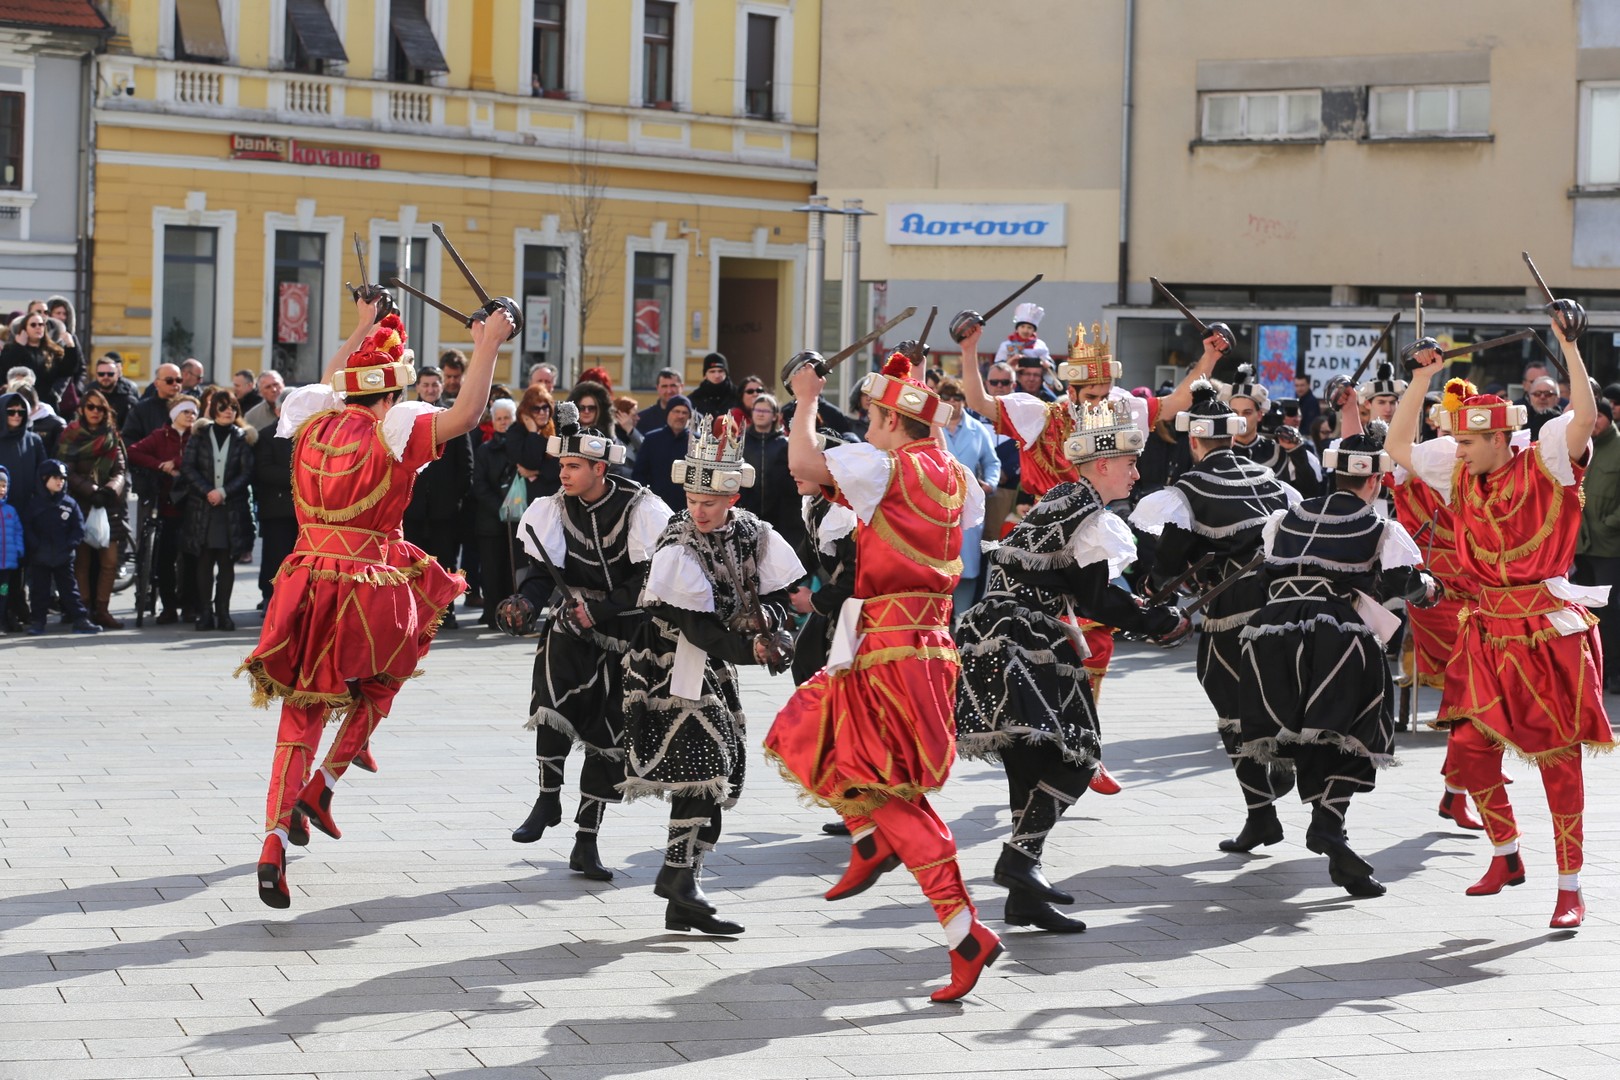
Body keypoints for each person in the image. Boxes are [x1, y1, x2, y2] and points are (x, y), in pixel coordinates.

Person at [240, 298, 511, 910]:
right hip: (367, 582)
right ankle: (328, 780)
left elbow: (333, 381)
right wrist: (489, 341)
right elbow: (467, 414)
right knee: (391, 669)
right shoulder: (392, 432)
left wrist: (362, 323)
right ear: (391, 394)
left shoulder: (313, 423)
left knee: (300, 714)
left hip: (306, 574)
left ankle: (274, 840)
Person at [767, 350, 999, 1003]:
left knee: (875, 784)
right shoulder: (956, 475)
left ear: (894, 424)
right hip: (926, 647)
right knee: (808, 732)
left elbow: (803, 465)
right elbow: (968, 517)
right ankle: (877, 848)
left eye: (872, 419)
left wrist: (806, 395)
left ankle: (963, 932)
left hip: (888, 652)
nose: (866, 430)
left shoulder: (886, 466)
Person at [1387, 305, 1612, 928]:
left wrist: (1570, 345)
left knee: (1559, 763)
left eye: (1466, 441)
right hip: (1484, 631)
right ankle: (1507, 856)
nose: (1456, 450)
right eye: (1455, 441)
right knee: (1466, 752)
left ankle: (1570, 889)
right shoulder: (1459, 471)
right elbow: (1398, 445)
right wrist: (1420, 377)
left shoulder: (1546, 461)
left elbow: (1585, 416)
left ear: (1497, 439)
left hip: (1547, 632)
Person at [956, 398, 1188, 933]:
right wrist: (1158, 622)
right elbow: (1095, 600)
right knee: (1080, 755)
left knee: (1029, 759)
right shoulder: (1090, 514)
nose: (1137, 472)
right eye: (1130, 464)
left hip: (993, 634)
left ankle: (1024, 896)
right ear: (1102, 465)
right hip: (1027, 639)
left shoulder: (1062, 498)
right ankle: (1018, 861)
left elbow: (1080, 589)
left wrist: (1147, 611)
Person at [622, 413, 803, 935]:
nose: (698, 511)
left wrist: (772, 627)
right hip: (668, 664)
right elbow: (697, 629)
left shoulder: (754, 534)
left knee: (717, 772)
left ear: (732, 500)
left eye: (709, 503)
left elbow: (775, 597)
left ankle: (683, 893)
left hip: (715, 665)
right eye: (693, 501)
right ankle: (679, 877)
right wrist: (756, 647)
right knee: (703, 763)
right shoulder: (677, 544)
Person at [1237, 428, 1436, 898]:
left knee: (1310, 733)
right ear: (1376, 482)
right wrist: (1430, 587)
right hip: (1335, 636)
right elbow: (1405, 584)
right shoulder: (1381, 526)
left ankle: (1331, 833)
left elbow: (1266, 577)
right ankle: (1327, 826)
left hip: (1271, 635)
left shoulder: (1286, 518)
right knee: (1354, 731)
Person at [502, 402, 672, 879]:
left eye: (574, 466)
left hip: (624, 631)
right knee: (551, 703)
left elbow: (651, 577)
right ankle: (547, 798)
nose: (565, 474)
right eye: (562, 465)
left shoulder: (641, 507)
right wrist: (525, 603)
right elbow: (542, 573)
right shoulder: (551, 509)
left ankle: (586, 839)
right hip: (570, 625)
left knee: (609, 737)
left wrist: (601, 608)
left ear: (601, 468)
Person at [1130, 379, 1300, 853]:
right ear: (1232, 436)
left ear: (1195, 440)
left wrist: (1153, 587)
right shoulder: (1272, 480)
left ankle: (1262, 812)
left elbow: (1170, 555)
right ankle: (1280, 764)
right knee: (1277, 692)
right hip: (1286, 606)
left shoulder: (1191, 486)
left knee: (1229, 703)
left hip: (1235, 613)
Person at [403, 366, 473, 629]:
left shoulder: (454, 417)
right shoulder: (408, 418)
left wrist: (454, 499)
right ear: (417, 387)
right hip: (414, 509)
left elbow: (466, 467)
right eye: (425, 384)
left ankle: (446, 612)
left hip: (445, 511)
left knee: (445, 562)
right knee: (414, 565)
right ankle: (416, 614)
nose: (430, 389)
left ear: (442, 386)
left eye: (435, 384)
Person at [179, 390, 256, 631]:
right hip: (203, 508)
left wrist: (223, 492)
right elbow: (188, 468)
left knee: (226, 563)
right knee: (204, 562)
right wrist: (208, 491)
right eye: (223, 407)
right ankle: (205, 613)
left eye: (232, 407)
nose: (228, 412)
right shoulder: (200, 435)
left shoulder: (242, 437)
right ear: (213, 410)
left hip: (231, 508)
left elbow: (246, 473)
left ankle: (223, 612)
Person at [58, 389, 130, 630]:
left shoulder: (112, 436)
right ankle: (84, 610)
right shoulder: (70, 435)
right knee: (82, 562)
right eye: (91, 407)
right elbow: (66, 470)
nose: (96, 412)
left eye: (100, 408)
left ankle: (103, 609)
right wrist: (91, 490)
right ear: (82, 409)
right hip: (80, 504)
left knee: (109, 562)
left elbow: (120, 471)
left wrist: (109, 490)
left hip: (108, 507)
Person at [127, 397, 200, 624]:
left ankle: (189, 604)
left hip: (193, 504)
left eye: (193, 412)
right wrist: (159, 465)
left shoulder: (197, 436)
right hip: (167, 504)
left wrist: (176, 462)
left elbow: (197, 457)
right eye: (185, 411)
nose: (190, 416)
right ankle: (168, 606)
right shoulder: (160, 436)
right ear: (174, 414)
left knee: (191, 558)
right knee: (165, 558)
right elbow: (133, 451)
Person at [935, 378, 999, 617]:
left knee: (968, 566)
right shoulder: (930, 426)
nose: (953, 403)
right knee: (937, 563)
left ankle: (963, 621)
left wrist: (990, 484)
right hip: (936, 502)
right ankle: (939, 619)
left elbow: (992, 462)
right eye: (947, 398)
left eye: (958, 398)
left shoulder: (978, 429)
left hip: (967, 504)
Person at [22, 459, 100, 635]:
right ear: (44, 479)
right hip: (40, 556)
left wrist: (69, 545)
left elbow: (78, 528)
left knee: (70, 590)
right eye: (55, 478)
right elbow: (27, 527)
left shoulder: (69, 504)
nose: (60, 482)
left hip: (63, 555)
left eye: (63, 478)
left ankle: (80, 620)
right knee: (39, 592)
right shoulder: (34, 504)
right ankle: (38, 622)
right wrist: (35, 546)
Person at [1576, 398, 1620, 694]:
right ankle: (1590, 671)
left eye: (1600, 416)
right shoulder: (1581, 446)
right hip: (1579, 545)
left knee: (1611, 613)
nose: (1596, 422)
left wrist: (1609, 524)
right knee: (1582, 612)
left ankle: (1614, 671)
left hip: (1609, 546)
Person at [1227, 365, 1321, 498]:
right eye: (1234, 412)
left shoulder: (1278, 450)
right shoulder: (1219, 449)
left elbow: (1310, 492)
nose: (1240, 418)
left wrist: (1297, 452)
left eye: (1247, 413)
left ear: (1259, 415)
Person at [471, 398, 520, 629]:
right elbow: (479, 484)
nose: (503, 423)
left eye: (507, 418)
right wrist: (500, 507)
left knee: (512, 572)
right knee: (491, 571)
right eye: (499, 418)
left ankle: (513, 615)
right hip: (490, 521)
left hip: (517, 521)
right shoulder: (485, 450)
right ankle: (492, 615)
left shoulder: (520, 448)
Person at [0, 389, 45, 628]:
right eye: (11, 411)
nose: (16, 415)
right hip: (2, 516)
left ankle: (18, 606)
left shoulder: (33, 440)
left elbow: (42, 474)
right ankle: (4, 610)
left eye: (21, 411)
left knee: (20, 566)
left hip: (24, 514)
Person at [738, 391, 801, 551]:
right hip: (747, 513)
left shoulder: (785, 444)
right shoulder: (741, 442)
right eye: (757, 410)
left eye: (765, 411)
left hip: (780, 517)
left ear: (774, 416)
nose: (760, 414)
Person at [251, 397, 296, 614]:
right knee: (275, 556)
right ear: (278, 410)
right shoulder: (267, 435)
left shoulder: (309, 433)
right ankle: (271, 597)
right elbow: (264, 470)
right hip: (277, 510)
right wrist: (299, 477)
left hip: (303, 510)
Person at [1, 308, 81, 411]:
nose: (38, 327)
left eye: (41, 324)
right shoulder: (11, 348)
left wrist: (70, 346)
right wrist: (19, 346)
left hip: (46, 404)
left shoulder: (51, 350)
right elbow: (5, 369)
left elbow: (68, 370)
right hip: (20, 404)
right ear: (25, 328)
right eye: (33, 325)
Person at [630, 393, 693, 510]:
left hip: (688, 507)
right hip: (656, 507)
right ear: (668, 413)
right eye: (676, 411)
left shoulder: (696, 442)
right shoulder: (652, 439)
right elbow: (639, 474)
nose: (680, 416)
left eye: (685, 412)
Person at [505, 385, 561, 501]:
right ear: (526, 411)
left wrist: (537, 471)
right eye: (536, 409)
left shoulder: (557, 428)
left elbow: (561, 465)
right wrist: (533, 433)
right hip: (525, 499)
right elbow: (529, 462)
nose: (542, 412)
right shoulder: (516, 432)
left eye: (545, 407)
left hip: (554, 497)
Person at [122, 364, 186, 446]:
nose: (175, 384)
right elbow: (129, 440)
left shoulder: (189, 407)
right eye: (169, 381)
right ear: (156, 383)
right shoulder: (141, 409)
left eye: (178, 380)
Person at [687, 352, 743, 424]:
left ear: (726, 373)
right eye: (712, 371)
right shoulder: (694, 398)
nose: (717, 375)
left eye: (720, 371)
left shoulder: (738, 396)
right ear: (705, 375)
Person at [992, 302, 1052, 368]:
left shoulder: (1040, 345)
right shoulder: (1006, 345)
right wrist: (1010, 362)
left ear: (1033, 330)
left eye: (1029, 327)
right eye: (1022, 326)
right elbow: (997, 367)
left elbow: (1050, 364)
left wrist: (1047, 365)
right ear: (1017, 329)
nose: (1025, 330)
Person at [0, 464, 23, 634]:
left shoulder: (11, 511)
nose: (1, 489)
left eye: (3, 485)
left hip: (6, 565)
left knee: (4, 593)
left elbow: (18, 532)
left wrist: (19, 549)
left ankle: (2, 620)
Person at [91, 356, 142, 430]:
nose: (105, 377)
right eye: (101, 374)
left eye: (110, 374)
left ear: (117, 375)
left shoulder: (128, 400)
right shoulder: (89, 395)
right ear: (96, 375)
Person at [637, 368, 686, 434]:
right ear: (657, 388)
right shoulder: (643, 419)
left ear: (682, 387)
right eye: (664, 386)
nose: (669, 391)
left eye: (673, 386)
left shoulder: (694, 419)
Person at [1526, 375, 1564, 440]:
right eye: (1537, 393)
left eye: (1548, 394)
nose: (1542, 397)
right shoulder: (1521, 421)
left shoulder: (1564, 419)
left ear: (1557, 398)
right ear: (1530, 397)